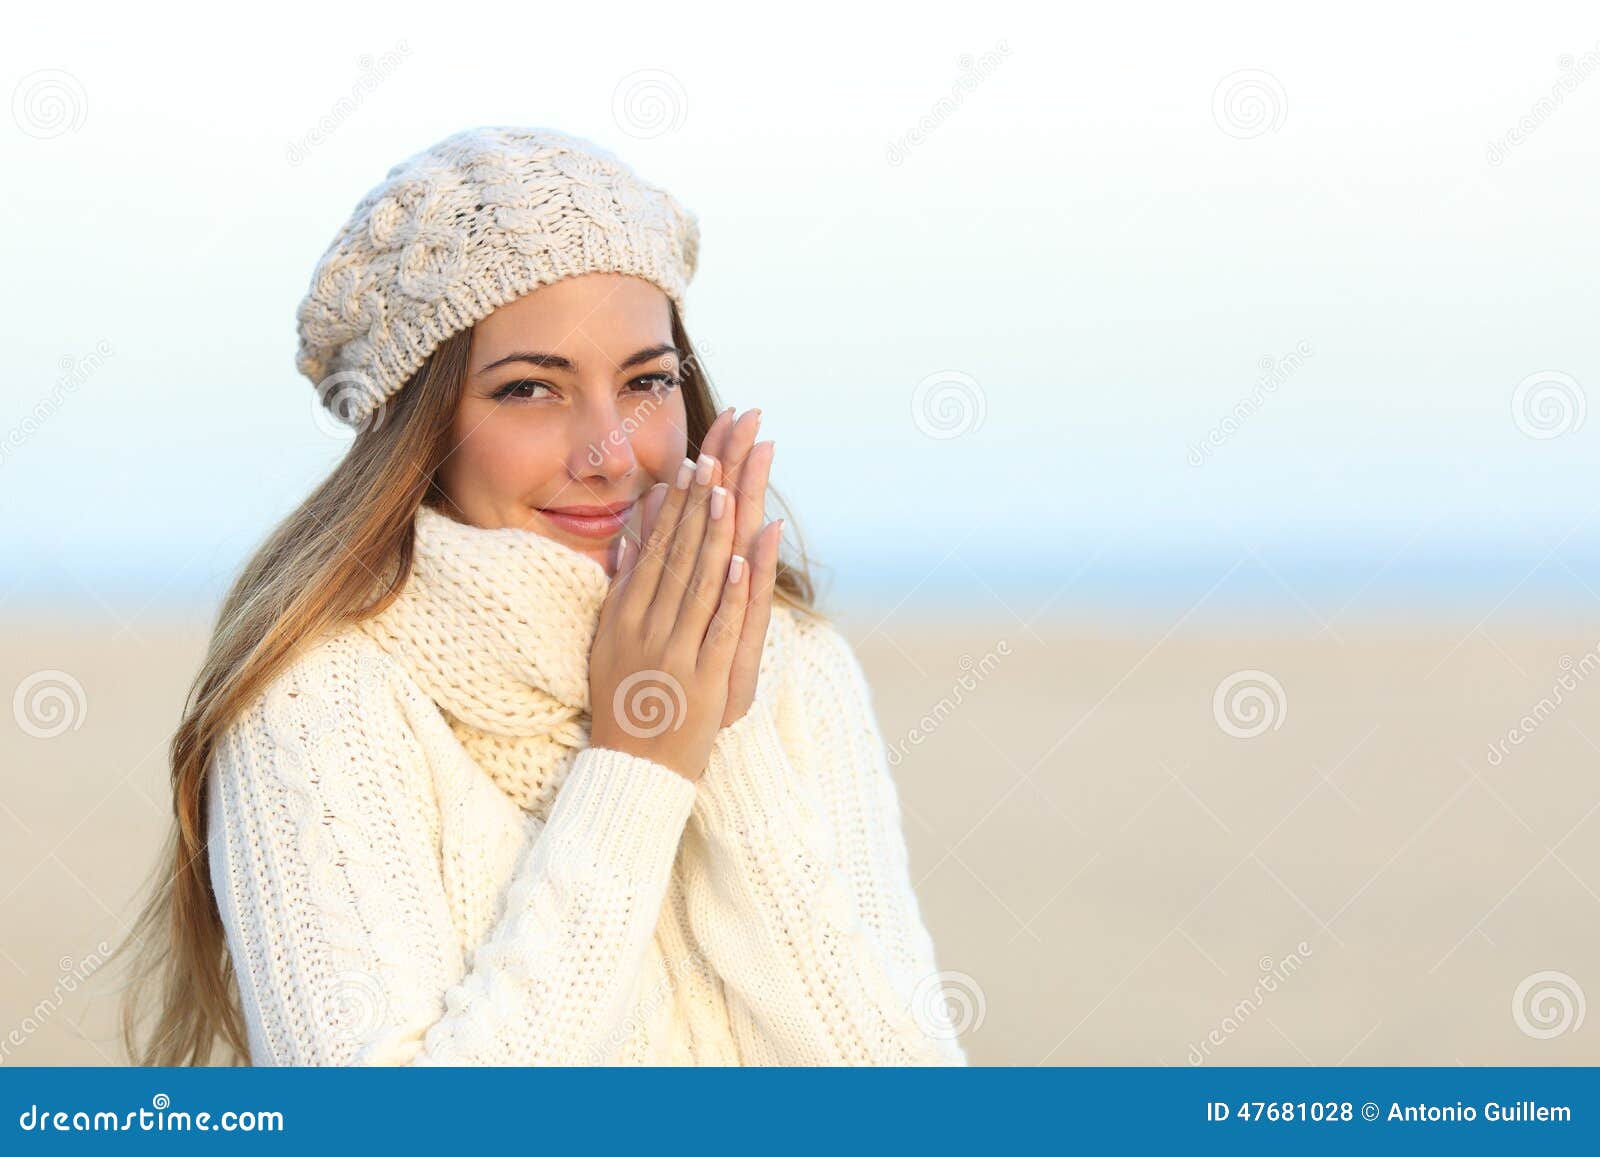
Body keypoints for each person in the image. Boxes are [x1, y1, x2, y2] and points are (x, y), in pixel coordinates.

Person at [115, 126, 967, 1066]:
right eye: (530, 389)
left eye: (646, 380)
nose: (611, 451)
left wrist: (720, 728)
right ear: (418, 429)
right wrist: (641, 761)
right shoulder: (318, 701)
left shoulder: (796, 665)